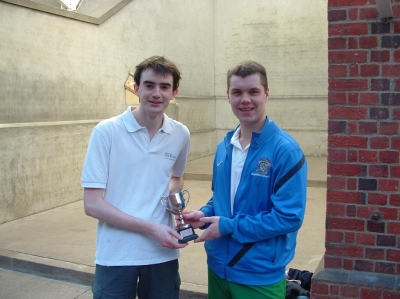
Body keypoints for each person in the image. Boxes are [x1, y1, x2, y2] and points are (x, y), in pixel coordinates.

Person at [182, 60, 308, 299]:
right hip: (218, 269)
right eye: (237, 92)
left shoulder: (286, 151)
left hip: (259, 276)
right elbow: (222, 198)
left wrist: (227, 226)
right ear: (228, 96)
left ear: (267, 94)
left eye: (253, 91)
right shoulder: (224, 147)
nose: (245, 100)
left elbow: (288, 218)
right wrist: (205, 213)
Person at [81, 55, 190, 299]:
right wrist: (152, 228)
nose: (156, 93)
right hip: (116, 255)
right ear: (136, 88)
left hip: (163, 254)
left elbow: (176, 178)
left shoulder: (180, 134)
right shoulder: (106, 132)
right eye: (149, 85)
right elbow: (92, 204)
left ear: (174, 92)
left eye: (164, 87)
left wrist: (174, 202)